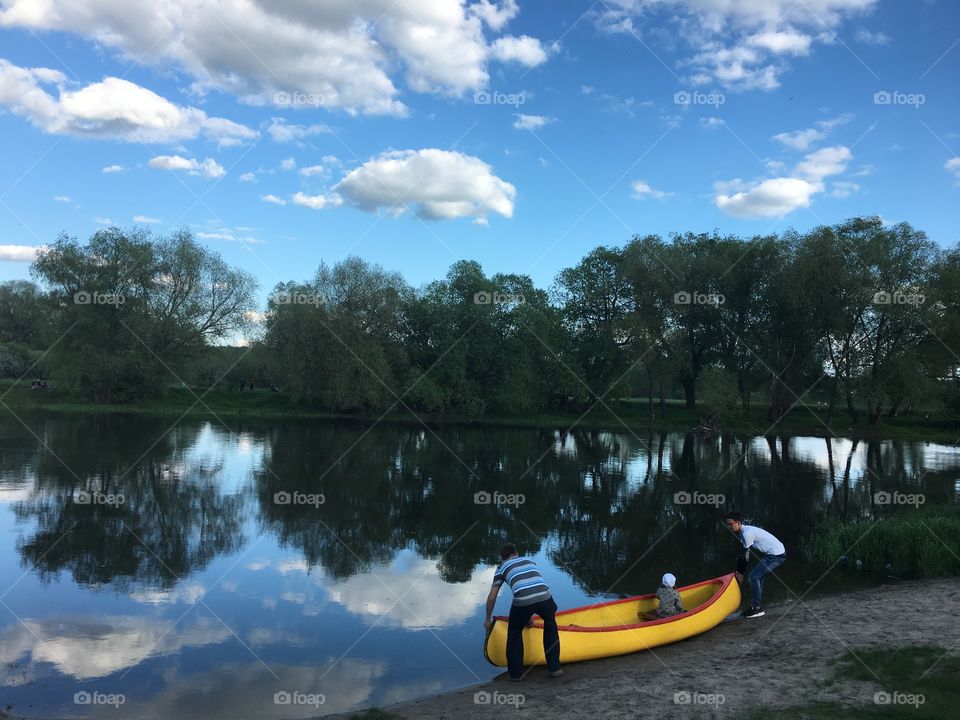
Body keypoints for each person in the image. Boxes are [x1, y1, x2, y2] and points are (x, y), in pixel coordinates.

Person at [484, 543, 563, 681]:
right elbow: (533, 585)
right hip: (546, 596)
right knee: (551, 624)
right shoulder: (528, 560)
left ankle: (516, 675)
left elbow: (491, 598)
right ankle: (555, 669)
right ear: (516, 553)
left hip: (523, 601)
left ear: (502, 558)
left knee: (514, 631)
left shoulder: (501, 568)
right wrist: (529, 615)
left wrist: (487, 619)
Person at [724, 511, 786, 618]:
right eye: (728, 524)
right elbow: (742, 554)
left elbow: (745, 557)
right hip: (773, 554)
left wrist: (741, 574)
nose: (729, 526)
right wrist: (738, 572)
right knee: (758, 576)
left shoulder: (747, 534)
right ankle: (754, 607)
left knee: (754, 576)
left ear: (738, 523)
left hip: (777, 555)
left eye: (731, 524)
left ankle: (757, 608)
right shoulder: (743, 532)